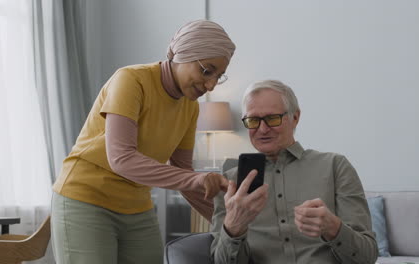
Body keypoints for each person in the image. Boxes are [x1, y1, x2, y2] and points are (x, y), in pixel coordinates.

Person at [51, 20, 235, 264]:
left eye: (219, 76)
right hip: (86, 198)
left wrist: (232, 222)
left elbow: (183, 173)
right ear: (182, 54)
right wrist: (197, 179)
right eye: (206, 71)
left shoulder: (190, 108)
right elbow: (121, 158)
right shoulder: (131, 80)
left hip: (137, 207)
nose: (211, 84)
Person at [211, 80, 378, 263]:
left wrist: (334, 229)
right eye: (253, 120)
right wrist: (234, 226)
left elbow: (367, 258)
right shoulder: (230, 184)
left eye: (272, 118)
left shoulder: (335, 166)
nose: (263, 129)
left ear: (295, 117)